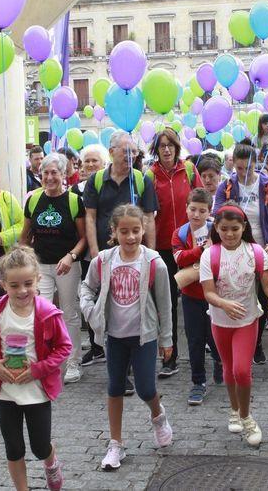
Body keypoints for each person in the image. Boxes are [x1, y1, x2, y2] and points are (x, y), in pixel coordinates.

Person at [79, 205, 174, 471]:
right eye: (124, 231)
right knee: (115, 387)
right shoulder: (104, 260)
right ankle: (115, 443)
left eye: (135, 231)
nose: (130, 237)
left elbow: (165, 304)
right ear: (114, 232)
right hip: (114, 336)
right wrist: (89, 308)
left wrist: (166, 339)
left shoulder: (154, 262)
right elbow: (87, 286)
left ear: (143, 230)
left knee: (145, 388)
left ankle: (158, 416)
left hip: (144, 336)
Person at [0, 247, 71, 491]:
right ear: (3, 284)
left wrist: (38, 369)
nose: (22, 290)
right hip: (5, 390)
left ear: (38, 279)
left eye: (28, 283)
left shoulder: (48, 313)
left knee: (39, 446)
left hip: (37, 390)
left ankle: (50, 462)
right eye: (14, 285)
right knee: (14, 448)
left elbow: (64, 347)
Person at [201, 205, 268, 448]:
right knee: (227, 368)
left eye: (235, 229)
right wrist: (224, 304)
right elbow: (208, 292)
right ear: (216, 228)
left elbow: (267, 286)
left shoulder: (256, 252)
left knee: (241, 370)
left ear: (244, 228)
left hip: (247, 320)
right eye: (224, 229)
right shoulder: (210, 254)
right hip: (220, 320)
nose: (229, 234)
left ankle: (247, 417)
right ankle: (234, 409)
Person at [81, 132, 159, 367]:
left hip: (135, 255)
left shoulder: (142, 179)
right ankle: (101, 348)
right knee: (104, 300)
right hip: (105, 254)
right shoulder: (95, 181)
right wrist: (95, 253)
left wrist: (151, 254)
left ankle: (136, 354)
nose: (130, 156)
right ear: (111, 151)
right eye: (125, 151)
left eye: (133, 152)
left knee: (131, 302)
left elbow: (149, 218)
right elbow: (90, 218)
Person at [212, 143, 268, 365]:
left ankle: (256, 340)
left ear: (256, 164)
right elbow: (218, 214)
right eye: (239, 168)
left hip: (261, 247)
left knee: (262, 296)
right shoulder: (226, 186)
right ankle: (237, 338)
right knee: (239, 292)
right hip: (235, 247)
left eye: (247, 169)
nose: (242, 173)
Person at [19, 154, 86, 384]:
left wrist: (71, 256)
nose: (49, 177)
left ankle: (73, 361)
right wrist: (24, 261)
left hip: (67, 266)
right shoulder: (34, 200)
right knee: (41, 313)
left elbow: (84, 237)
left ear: (63, 174)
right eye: (46, 172)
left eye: (54, 172)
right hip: (41, 265)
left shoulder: (74, 200)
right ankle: (45, 359)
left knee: (69, 312)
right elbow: (25, 236)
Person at [147, 128, 200, 378]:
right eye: (161, 146)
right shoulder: (149, 175)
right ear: (156, 149)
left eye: (170, 145)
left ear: (177, 147)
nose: (166, 149)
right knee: (167, 303)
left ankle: (205, 352)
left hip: (191, 245)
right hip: (163, 247)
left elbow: (203, 201)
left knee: (197, 298)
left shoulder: (188, 170)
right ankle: (170, 357)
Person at [171, 188, 223, 405]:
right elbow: (179, 259)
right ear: (186, 208)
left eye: (202, 211)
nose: (196, 215)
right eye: (193, 209)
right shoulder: (180, 233)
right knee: (195, 340)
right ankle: (198, 382)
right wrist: (201, 251)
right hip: (191, 296)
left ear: (209, 211)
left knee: (216, 337)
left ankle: (220, 363)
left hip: (215, 294)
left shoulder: (216, 230)